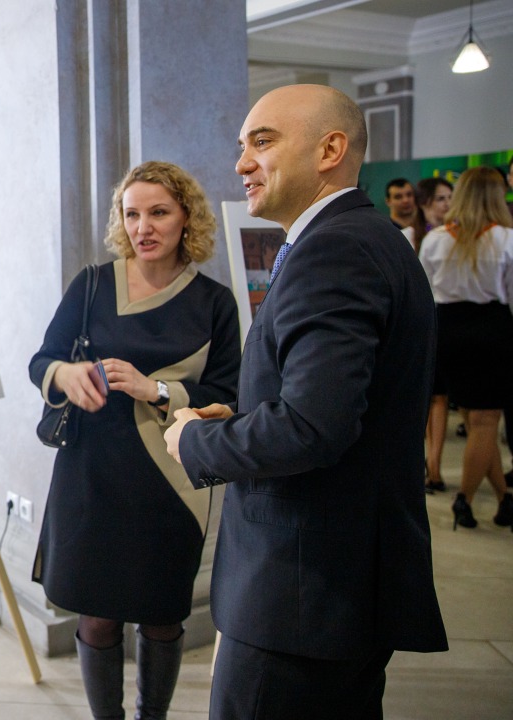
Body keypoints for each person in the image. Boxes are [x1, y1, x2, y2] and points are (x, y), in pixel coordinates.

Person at [164, 85, 447, 718]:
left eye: (262, 142)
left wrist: (195, 440)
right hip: (335, 585)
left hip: (299, 591)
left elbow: (314, 428)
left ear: (330, 149)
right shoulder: (369, 237)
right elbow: (345, 404)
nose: (241, 163)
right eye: (242, 145)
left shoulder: (334, 249)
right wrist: (242, 419)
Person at [30, 161, 240, 720]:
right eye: (132, 214)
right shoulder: (93, 284)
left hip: (171, 481)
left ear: (186, 217)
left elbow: (228, 395)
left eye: (158, 213)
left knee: (163, 616)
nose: (143, 227)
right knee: (96, 616)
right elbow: (41, 360)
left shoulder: (214, 302)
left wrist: (157, 389)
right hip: (90, 474)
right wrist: (65, 374)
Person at [417, 166, 513, 529]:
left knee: (476, 422)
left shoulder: (436, 239)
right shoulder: (505, 239)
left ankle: (504, 498)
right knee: (486, 421)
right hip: (492, 330)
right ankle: (465, 500)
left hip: (448, 331)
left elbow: (425, 291)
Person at [417, 177, 455, 493]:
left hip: (445, 320)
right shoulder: (411, 236)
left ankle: (435, 465)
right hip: (420, 320)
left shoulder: (454, 235)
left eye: (450, 197)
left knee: (439, 397)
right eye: (440, 198)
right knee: (423, 398)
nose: (447, 204)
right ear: (426, 202)